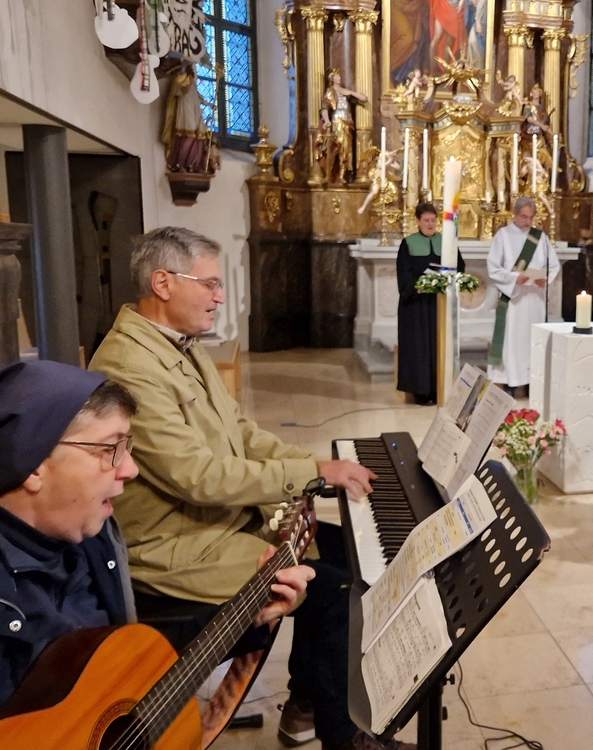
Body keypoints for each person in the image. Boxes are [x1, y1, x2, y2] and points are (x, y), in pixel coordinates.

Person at [89, 228, 410, 750]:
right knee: (334, 589)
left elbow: (239, 432)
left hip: (214, 522)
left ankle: (306, 707)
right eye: (210, 284)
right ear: (163, 283)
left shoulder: (177, 343)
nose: (220, 297)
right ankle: (342, 734)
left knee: (348, 553)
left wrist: (314, 466)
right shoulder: (129, 365)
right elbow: (197, 476)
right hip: (174, 547)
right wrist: (311, 473)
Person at [0, 360, 313, 716]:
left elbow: (130, 666)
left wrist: (246, 616)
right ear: (33, 463)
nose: (131, 469)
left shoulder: (96, 539)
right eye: (110, 449)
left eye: (127, 446)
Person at [487, 197, 560, 392]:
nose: (527, 221)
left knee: (532, 340)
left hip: (534, 299)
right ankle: (511, 380)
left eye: (531, 217)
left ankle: (531, 380)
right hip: (514, 299)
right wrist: (514, 278)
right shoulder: (503, 236)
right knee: (513, 340)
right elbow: (494, 268)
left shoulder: (540, 237)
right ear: (515, 214)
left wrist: (545, 278)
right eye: (523, 217)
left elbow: (553, 265)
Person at [397, 203, 466, 405]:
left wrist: (446, 279)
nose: (430, 224)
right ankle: (420, 391)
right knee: (419, 346)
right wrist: (420, 283)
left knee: (439, 344)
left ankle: (438, 388)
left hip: (439, 303)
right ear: (417, 221)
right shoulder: (408, 243)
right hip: (416, 306)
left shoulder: (446, 242)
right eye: (426, 220)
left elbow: (459, 266)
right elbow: (404, 273)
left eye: (433, 220)